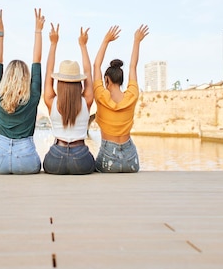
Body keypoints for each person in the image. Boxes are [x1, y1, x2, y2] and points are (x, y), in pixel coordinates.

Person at [0, 8, 45, 174]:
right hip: (25, 160)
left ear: (6, 77)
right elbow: (37, 60)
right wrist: (38, 31)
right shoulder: (33, 95)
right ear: (26, 78)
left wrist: (0, 32)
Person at [93, 24, 149, 173]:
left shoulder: (100, 95)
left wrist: (106, 40)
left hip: (108, 158)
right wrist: (137, 41)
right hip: (131, 160)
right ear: (122, 79)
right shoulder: (132, 95)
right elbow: (133, 67)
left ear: (106, 80)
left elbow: (96, 65)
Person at [42, 24, 95, 175]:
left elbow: (48, 73)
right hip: (81, 159)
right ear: (79, 83)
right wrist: (83, 46)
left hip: (55, 159)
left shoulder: (51, 100)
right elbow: (87, 72)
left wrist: (53, 44)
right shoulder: (87, 101)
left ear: (59, 82)